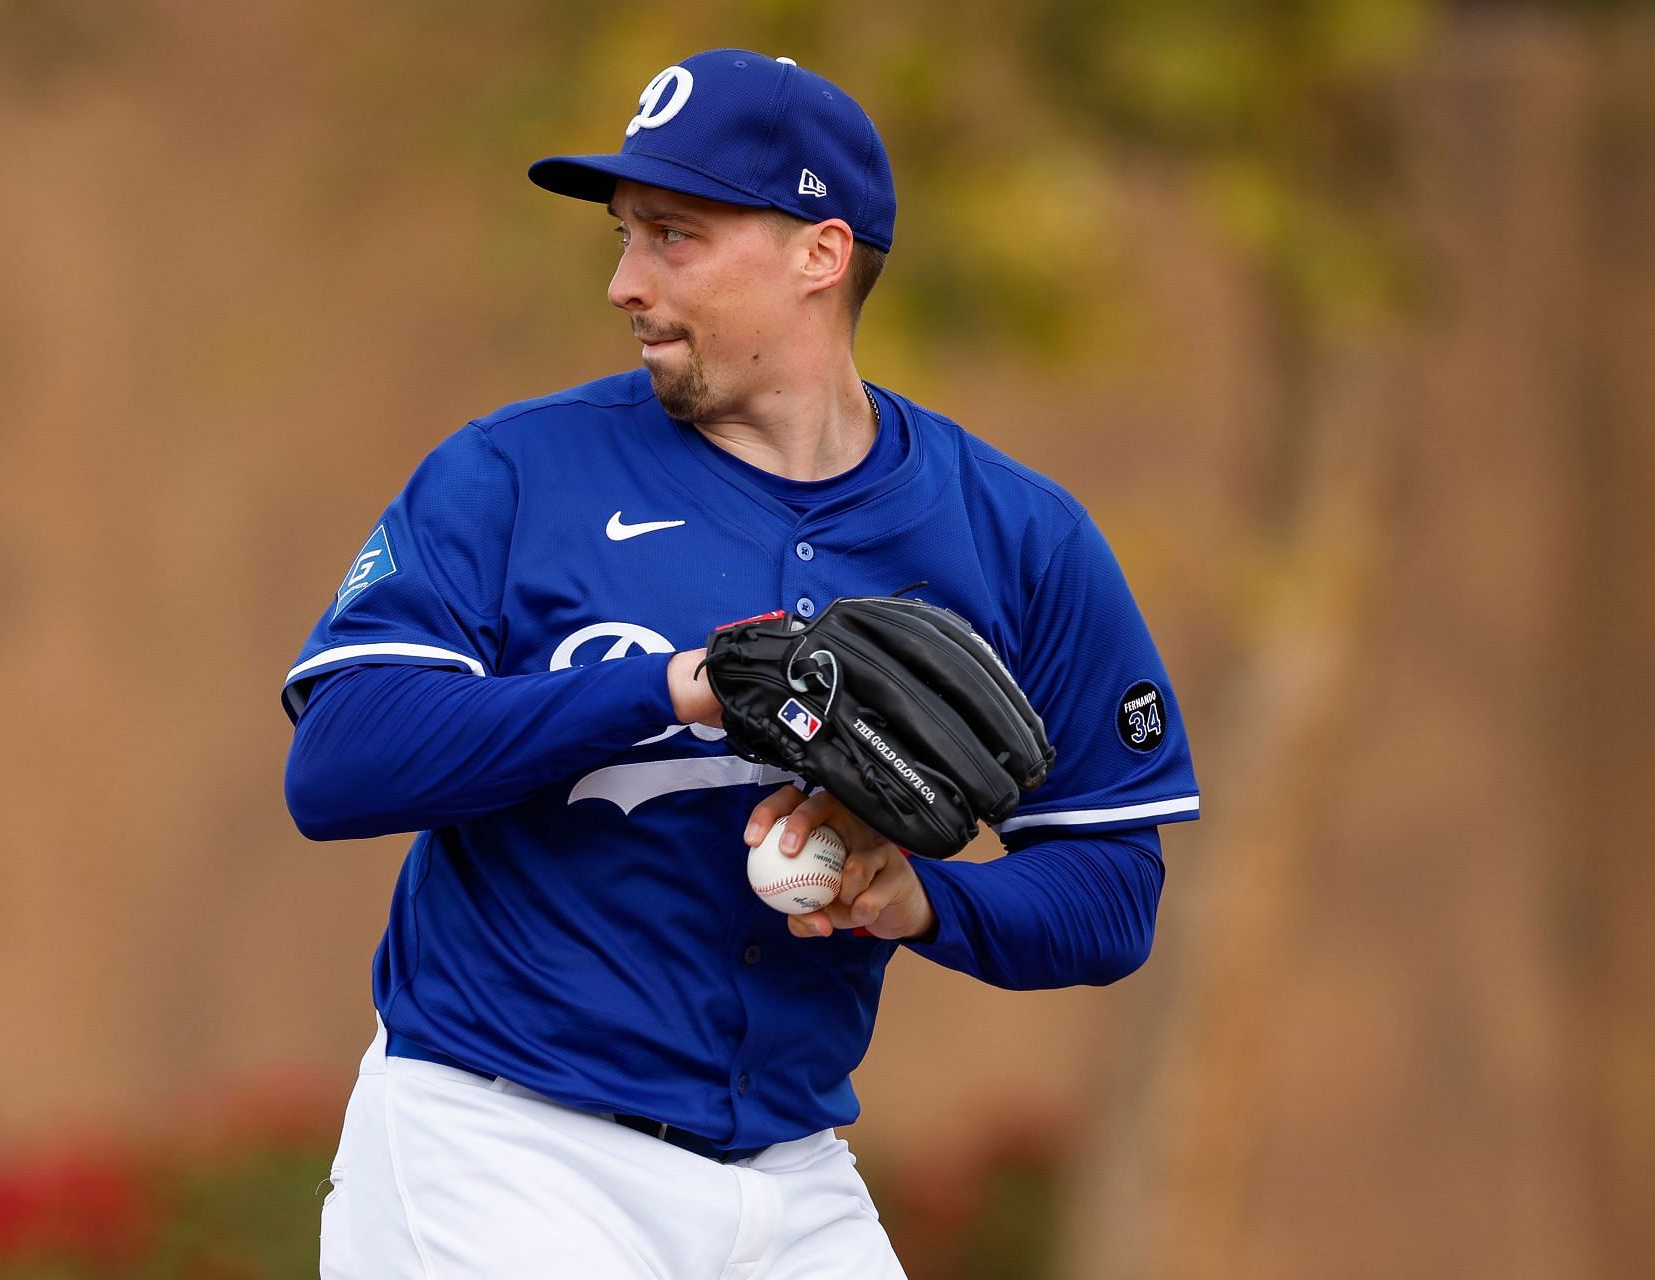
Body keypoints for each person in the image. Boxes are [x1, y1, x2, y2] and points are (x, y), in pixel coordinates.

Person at [281, 48, 1199, 1279]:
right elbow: (337, 763)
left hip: (792, 1165)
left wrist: (918, 898)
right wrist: (669, 685)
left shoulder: (1014, 536)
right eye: (625, 234)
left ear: (819, 255)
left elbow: (1112, 883)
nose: (624, 281)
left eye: (674, 236)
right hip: (503, 1142)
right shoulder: (514, 474)